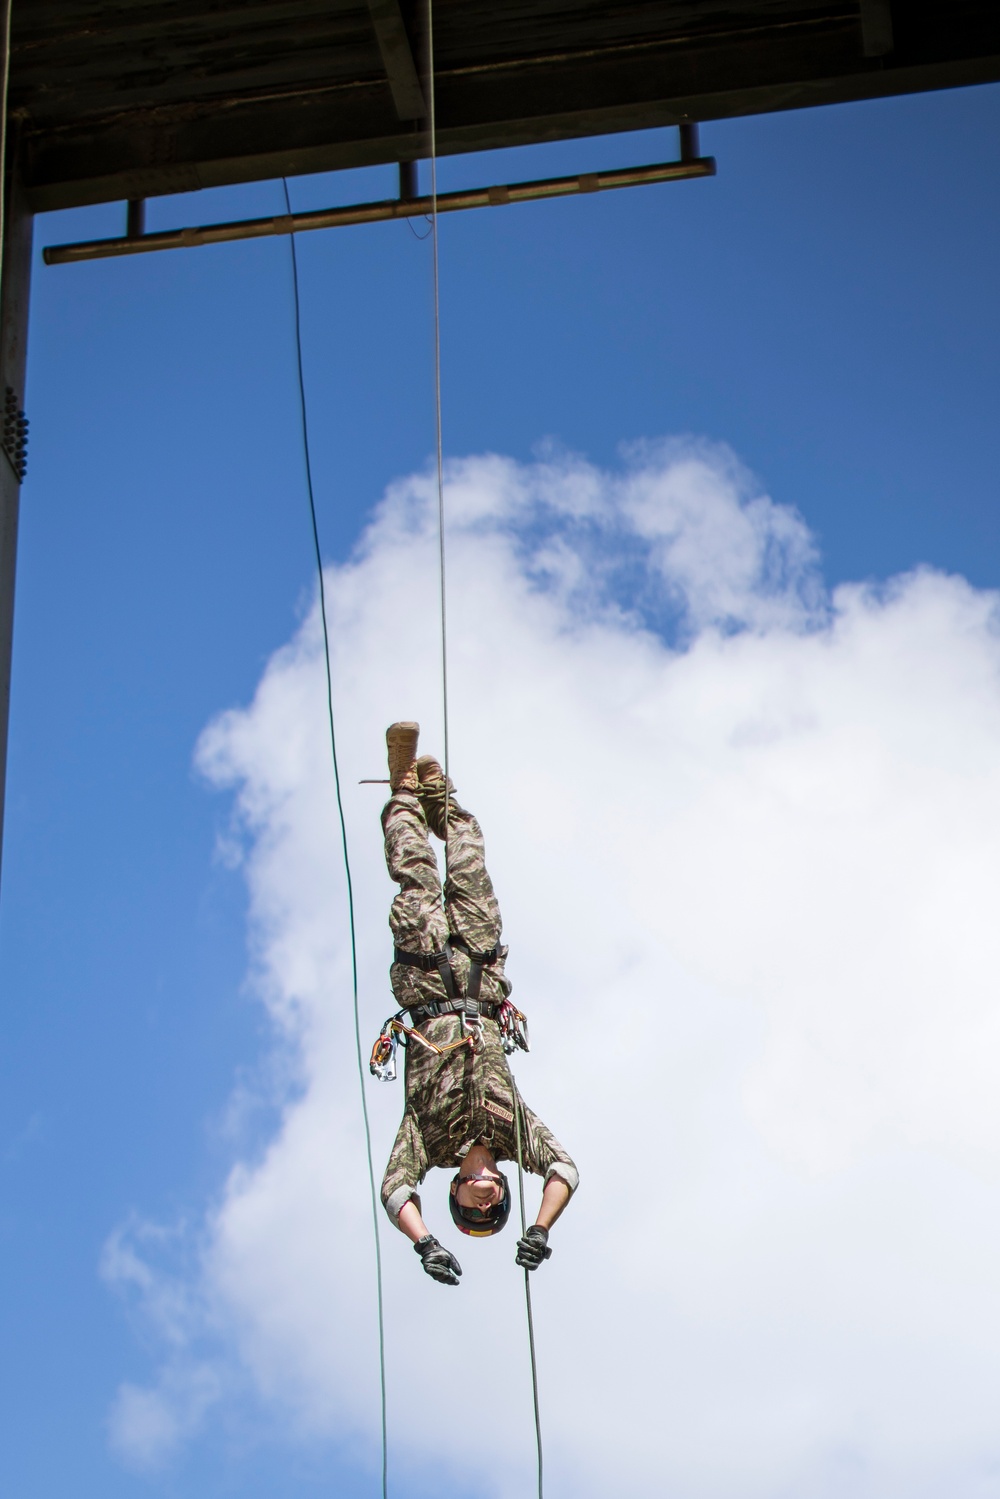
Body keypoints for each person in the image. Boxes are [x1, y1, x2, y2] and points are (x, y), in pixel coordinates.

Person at [377, 721, 578, 1286]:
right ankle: (439, 798)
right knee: (468, 845)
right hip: (481, 972)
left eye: (472, 1208)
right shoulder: (518, 1135)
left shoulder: (427, 1142)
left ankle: (403, 790)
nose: (485, 1202)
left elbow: (394, 1190)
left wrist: (424, 1244)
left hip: (427, 977)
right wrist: (539, 1230)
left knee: (415, 876)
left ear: (457, 1189)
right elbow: (565, 1170)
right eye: (494, 1209)